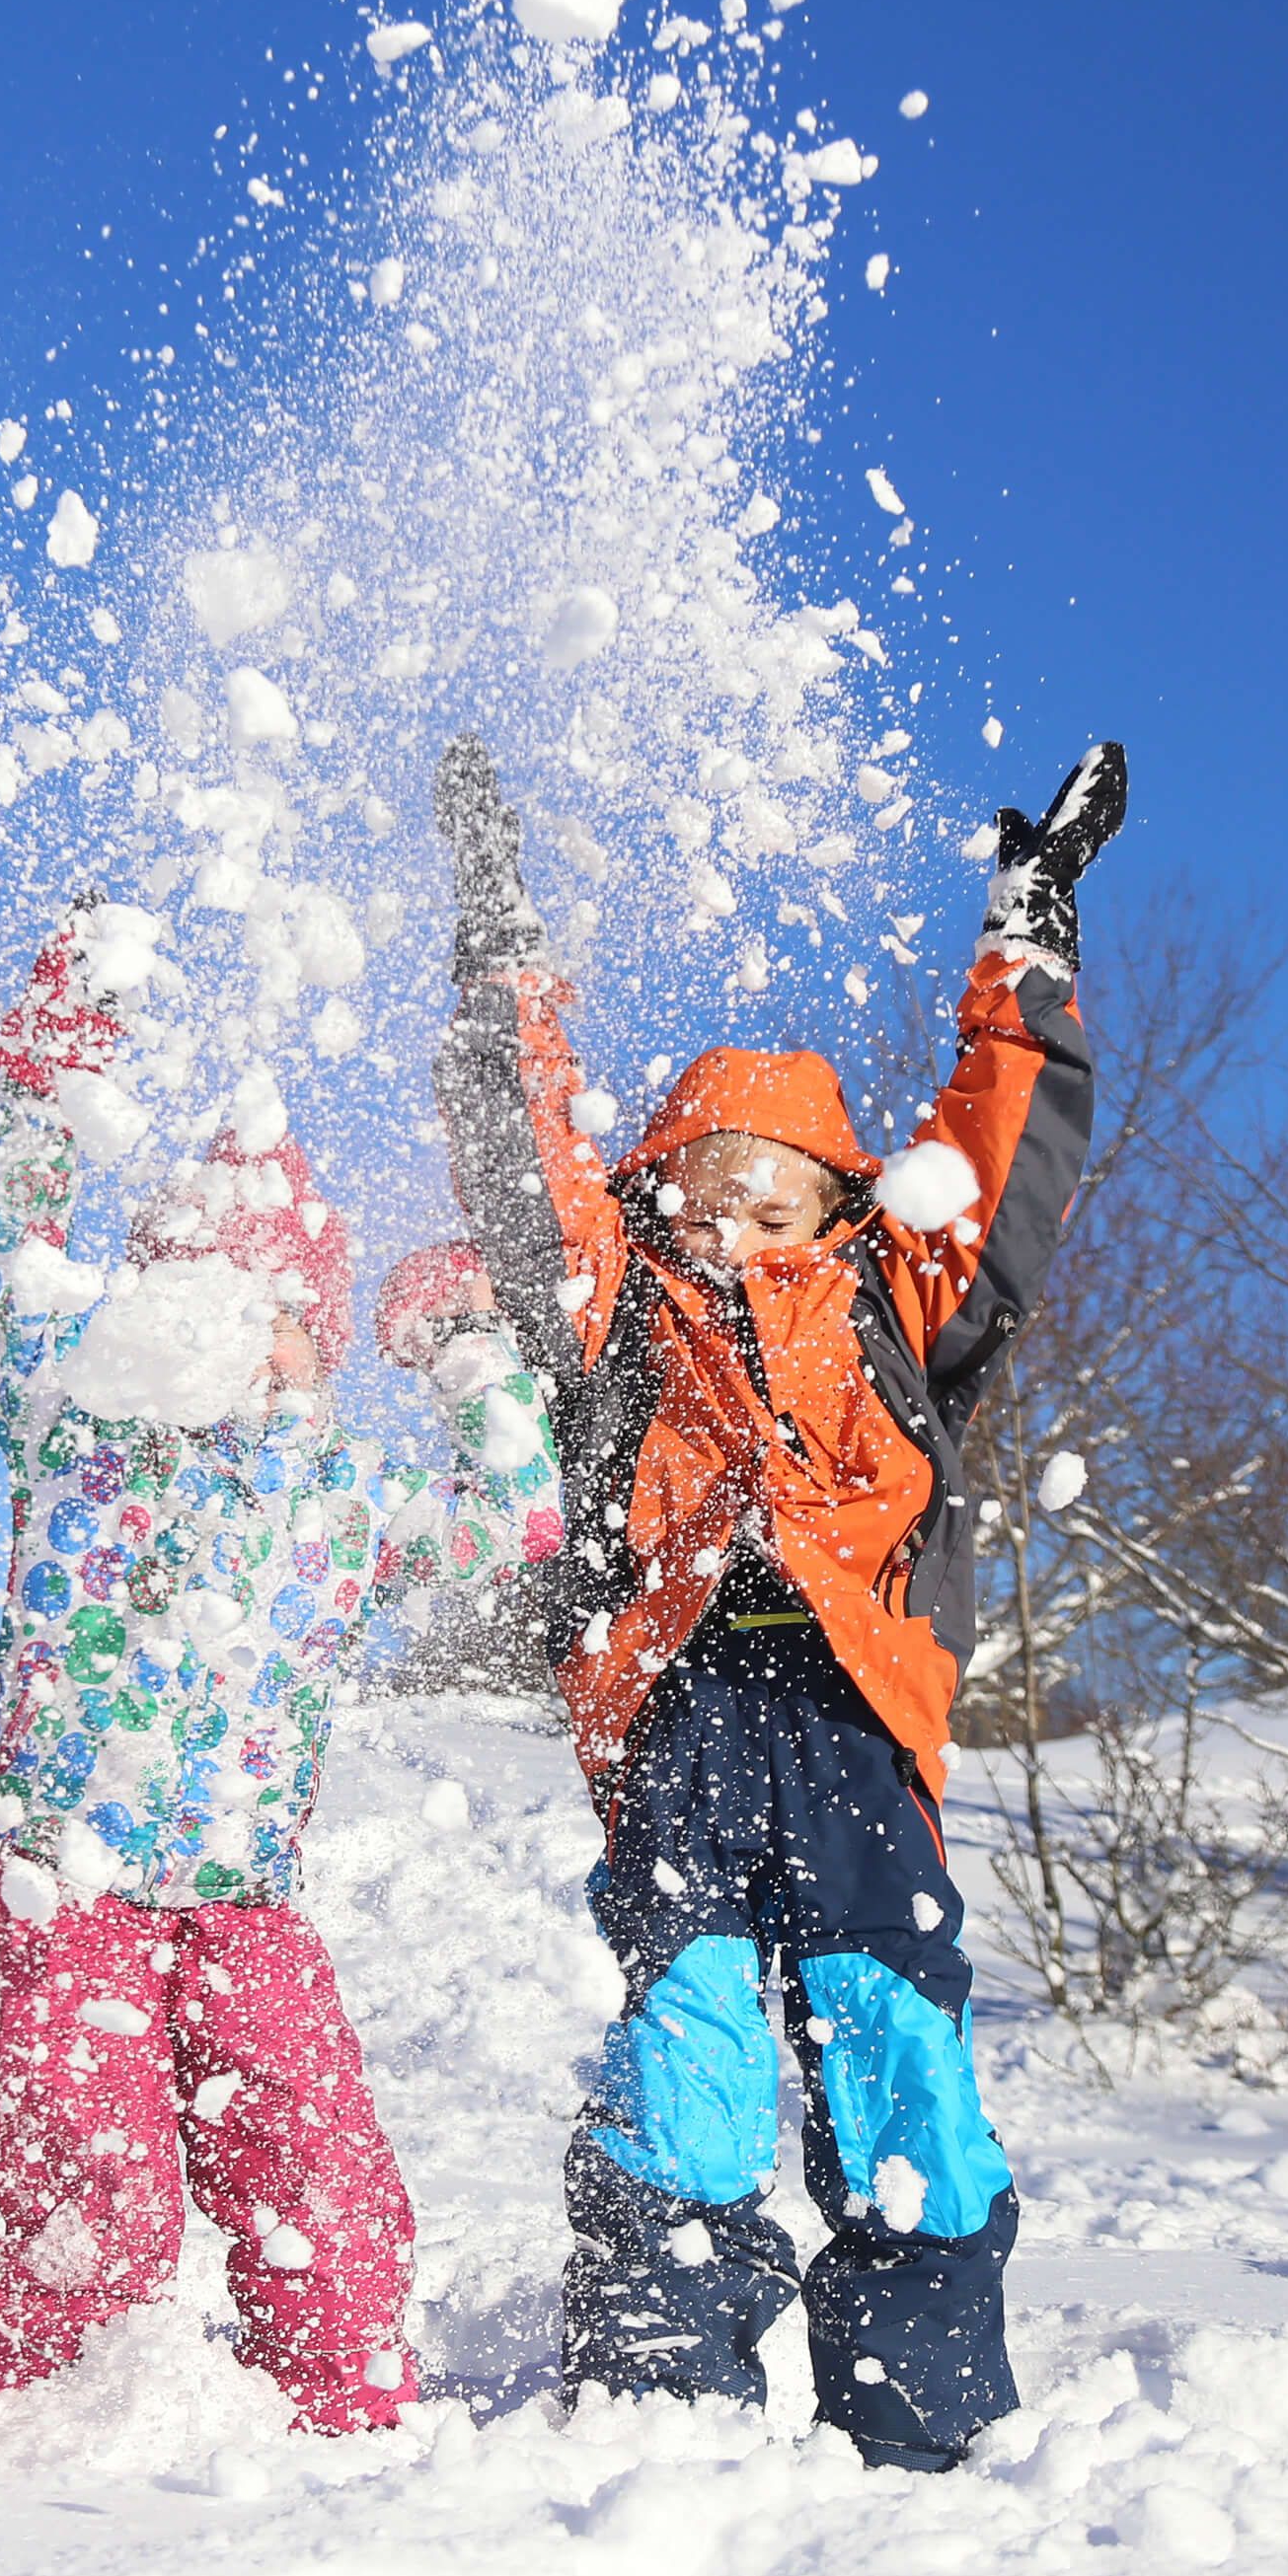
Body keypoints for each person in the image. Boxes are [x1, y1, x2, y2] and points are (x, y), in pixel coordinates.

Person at [430, 731, 1122, 2470]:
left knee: (900, 2046)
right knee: (693, 2039)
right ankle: (657, 2407)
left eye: (782, 1190)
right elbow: (521, 1151)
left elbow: (1006, 1151)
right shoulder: (610, 1308)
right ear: (655, 1192)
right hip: (679, 1714)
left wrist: (1026, 939)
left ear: (840, 1201)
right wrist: (500, 954)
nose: (741, 1218)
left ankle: (929, 2418)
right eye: (706, 1186)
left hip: (851, 1724)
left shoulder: (899, 1304)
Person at [0, 899, 569, 2433]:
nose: (252, 1339)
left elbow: (523, 1512)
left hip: (247, 1899)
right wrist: (55, 1061)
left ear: (327, 1337)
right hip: (74, 1882)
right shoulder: (71, 1428)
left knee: (320, 2170)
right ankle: (53, 2424)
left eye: (287, 1313)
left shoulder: (340, 1496)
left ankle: (349, 2416)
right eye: (208, 1298)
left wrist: (466, 1352)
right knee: (104, 2184)